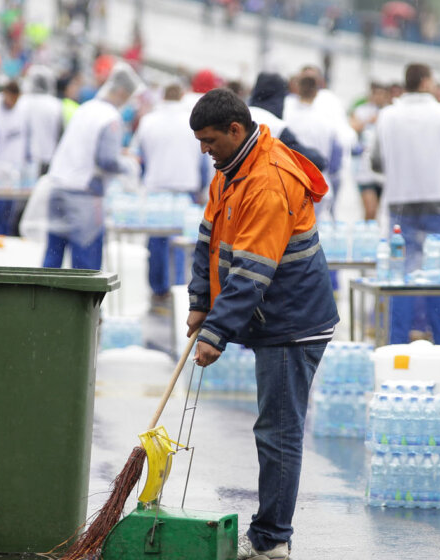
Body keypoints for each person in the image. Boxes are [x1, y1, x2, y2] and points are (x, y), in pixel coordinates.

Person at [186, 88, 338, 560]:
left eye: (210, 140)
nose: (205, 150)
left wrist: (215, 334)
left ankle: (272, 539)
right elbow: (209, 238)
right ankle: (270, 532)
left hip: (293, 321)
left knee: (278, 431)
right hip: (269, 315)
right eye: (200, 142)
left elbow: (252, 271)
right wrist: (199, 301)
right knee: (273, 429)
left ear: (236, 129)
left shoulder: (269, 181)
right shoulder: (230, 171)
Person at [372, 63, 440, 346]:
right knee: (439, 276)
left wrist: (402, 170)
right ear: (426, 82)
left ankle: (398, 344)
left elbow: (376, 161)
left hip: (399, 204)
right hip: (437, 202)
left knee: (401, 278)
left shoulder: (387, 116)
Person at [43, 62, 143, 270]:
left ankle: (45, 300)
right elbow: (107, 159)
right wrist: (129, 165)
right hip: (83, 196)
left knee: (53, 257)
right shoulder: (110, 117)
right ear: (122, 93)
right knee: (85, 264)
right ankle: (84, 303)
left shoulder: (85, 108)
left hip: (58, 188)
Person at [133, 83, 211, 304]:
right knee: (182, 244)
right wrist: (202, 188)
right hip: (185, 188)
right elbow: (204, 161)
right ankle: (178, 288)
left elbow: (138, 156)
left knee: (156, 243)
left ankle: (158, 289)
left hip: (156, 188)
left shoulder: (149, 121)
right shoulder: (191, 122)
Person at [284, 74, 342, 220]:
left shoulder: (286, 117)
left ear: (297, 89)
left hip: (292, 185)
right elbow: (335, 161)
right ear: (316, 92)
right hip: (320, 187)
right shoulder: (327, 121)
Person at [246, 72, 329, 173]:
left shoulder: (242, 113)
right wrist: (319, 158)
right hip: (261, 183)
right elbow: (309, 159)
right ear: (279, 96)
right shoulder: (275, 125)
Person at [0, 80, 31, 236]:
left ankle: (4, 242)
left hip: (14, 170)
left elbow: (26, 141)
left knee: (9, 214)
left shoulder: (22, 112)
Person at [349, 82, 389, 221]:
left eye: (382, 94)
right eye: (376, 94)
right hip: (364, 169)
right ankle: (366, 235)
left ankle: (374, 236)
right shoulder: (362, 110)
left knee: (381, 213)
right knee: (370, 210)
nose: (379, 97)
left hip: (384, 171)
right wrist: (369, 121)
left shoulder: (389, 113)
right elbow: (353, 126)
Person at [22, 66, 64, 176]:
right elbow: (60, 134)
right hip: (48, 158)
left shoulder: (23, 103)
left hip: (23, 159)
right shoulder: (56, 105)